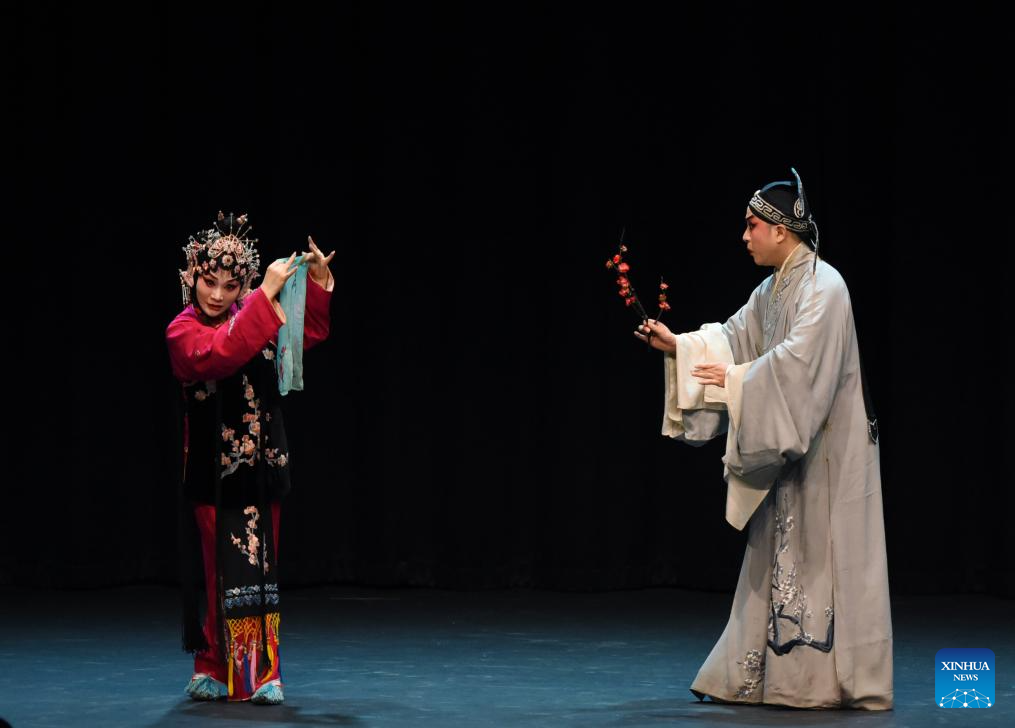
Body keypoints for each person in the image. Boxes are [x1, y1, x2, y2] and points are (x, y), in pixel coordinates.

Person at [634, 170, 892, 710]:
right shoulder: (772, 289)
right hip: (791, 445)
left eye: (752, 225)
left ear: (781, 230)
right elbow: (735, 337)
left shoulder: (825, 288)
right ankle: (765, 677)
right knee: (778, 553)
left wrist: (734, 381)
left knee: (821, 556)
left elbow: (798, 368)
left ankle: (823, 682)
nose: (744, 235)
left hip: (829, 449)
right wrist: (678, 346)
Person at [166, 211, 335, 704]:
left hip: (261, 465)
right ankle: (214, 664)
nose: (217, 295)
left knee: (262, 568)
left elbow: (304, 335)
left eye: (231, 285)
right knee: (220, 569)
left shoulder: (255, 315)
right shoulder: (183, 330)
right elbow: (223, 353)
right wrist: (264, 297)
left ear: (242, 285)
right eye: (209, 282)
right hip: (211, 471)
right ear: (190, 276)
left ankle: (263, 673)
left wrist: (316, 284)